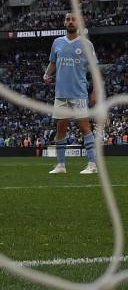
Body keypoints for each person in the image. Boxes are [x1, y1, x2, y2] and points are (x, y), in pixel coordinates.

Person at [44, 12, 99, 175]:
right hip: (60, 93)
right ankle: (61, 165)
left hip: (79, 93)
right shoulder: (57, 42)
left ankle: (92, 164)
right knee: (60, 128)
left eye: (73, 19)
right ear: (64, 22)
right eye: (68, 19)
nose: (70, 22)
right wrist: (47, 74)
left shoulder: (86, 45)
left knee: (84, 127)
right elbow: (53, 63)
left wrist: (95, 91)